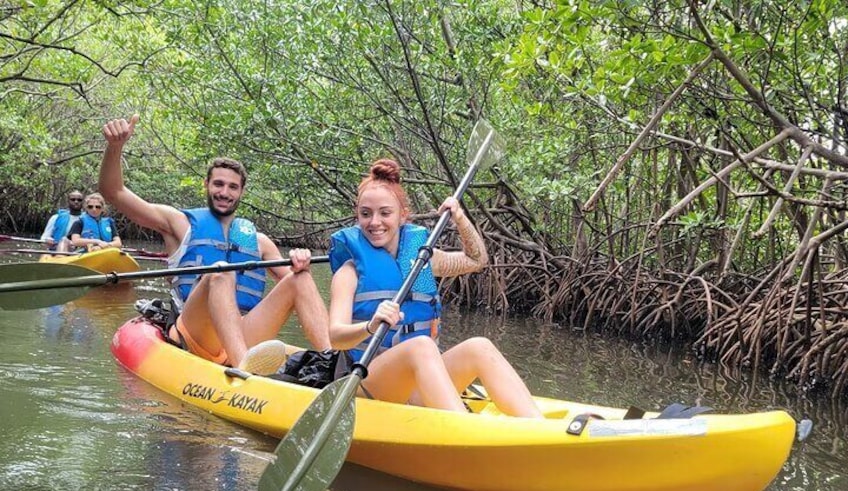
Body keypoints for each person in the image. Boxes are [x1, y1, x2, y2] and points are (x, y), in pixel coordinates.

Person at [98, 115, 331, 374]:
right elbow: (114, 192)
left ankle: (331, 360)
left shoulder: (259, 242)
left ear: (241, 192)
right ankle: (245, 369)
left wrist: (301, 261)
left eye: (233, 187)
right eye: (218, 184)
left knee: (301, 277)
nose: (224, 192)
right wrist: (115, 146)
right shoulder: (178, 224)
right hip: (196, 332)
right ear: (206, 185)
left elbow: (301, 293)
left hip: (243, 331)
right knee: (220, 272)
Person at [327, 158, 543, 417]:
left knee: (480, 346)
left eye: (385, 213)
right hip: (370, 383)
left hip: (416, 387)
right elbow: (336, 337)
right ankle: (465, 433)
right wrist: (370, 326)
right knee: (422, 346)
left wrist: (460, 219)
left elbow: (477, 260)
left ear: (402, 215)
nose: (375, 222)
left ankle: (537, 425)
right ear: (357, 215)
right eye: (366, 213)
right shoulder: (349, 272)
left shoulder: (422, 261)